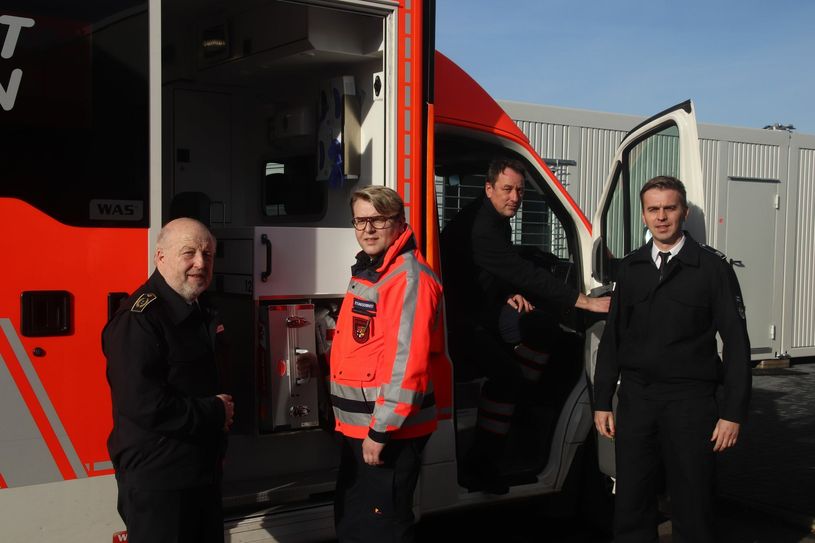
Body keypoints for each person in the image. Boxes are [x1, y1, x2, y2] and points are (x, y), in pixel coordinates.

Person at [593, 175, 752, 543]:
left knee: (692, 501)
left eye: (669, 208)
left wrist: (732, 412)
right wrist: (602, 400)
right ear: (644, 216)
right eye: (653, 209)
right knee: (631, 500)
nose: (661, 216)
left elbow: (736, 344)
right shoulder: (631, 268)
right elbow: (614, 339)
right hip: (637, 400)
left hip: (690, 404)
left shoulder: (712, 269)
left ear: (682, 212)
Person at [440, 157, 609, 492]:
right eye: (507, 189)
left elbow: (499, 269)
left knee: (542, 328)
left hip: (481, 306)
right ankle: (481, 463)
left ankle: (522, 405)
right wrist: (585, 301)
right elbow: (520, 270)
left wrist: (509, 292)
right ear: (489, 189)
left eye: (519, 190)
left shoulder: (494, 218)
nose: (515, 197)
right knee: (506, 375)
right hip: (456, 319)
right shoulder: (481, 226)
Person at [104, 217, 234, 543]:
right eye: (188, 253)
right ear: (160, 257)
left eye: (208, 254)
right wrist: (215, 413)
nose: (200, 263)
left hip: (197, 474)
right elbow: (143, 404)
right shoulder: (140, 319)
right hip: (159, 480)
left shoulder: (198, 309)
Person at [330, 185, 443, 542]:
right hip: (363, 428)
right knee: (355, 521)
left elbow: (406, 363)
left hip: (388, 432)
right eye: (360, 220)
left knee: (384, 528)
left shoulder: (409, 278)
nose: (367, 229)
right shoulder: (374, 269)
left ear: (399, 223)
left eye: (378, 219)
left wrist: (381, 430)